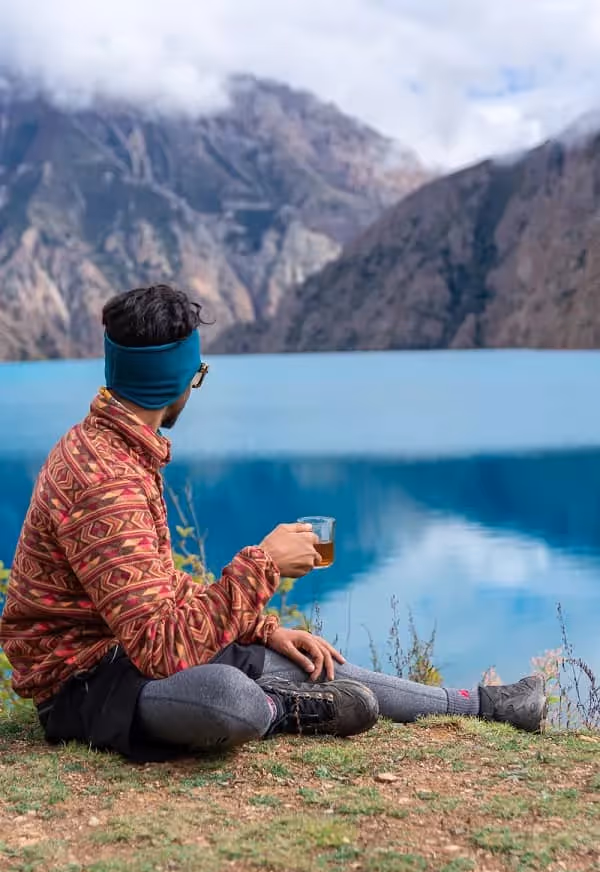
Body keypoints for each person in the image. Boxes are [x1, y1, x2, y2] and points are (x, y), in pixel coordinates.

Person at [0, 285, 547, 763]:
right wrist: (264, 565)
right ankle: (287, 711)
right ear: (177, 379)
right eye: (199, 372)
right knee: (227, 697)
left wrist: (262, 628)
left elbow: (154, 592)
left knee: (292, 658)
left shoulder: (117, 449)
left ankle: (485, 705)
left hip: (129, 649)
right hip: (85, 683)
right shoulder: (105, 480)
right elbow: (161, 650)